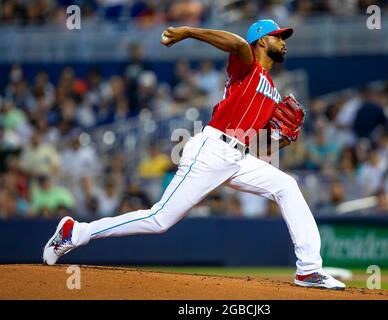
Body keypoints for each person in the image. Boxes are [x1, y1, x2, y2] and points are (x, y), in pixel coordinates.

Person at [43, 19, 345, 290]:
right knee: (160, 219)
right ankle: (76, 232)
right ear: (262, 40)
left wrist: (283, 141)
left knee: (287, 186)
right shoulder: (246, 65)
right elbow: (239, 43)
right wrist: (188, 31)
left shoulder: (273, 92)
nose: (284, 43)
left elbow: (259, 145)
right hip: (212, 150)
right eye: (279, 37)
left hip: (238, 157)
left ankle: (309, 270)